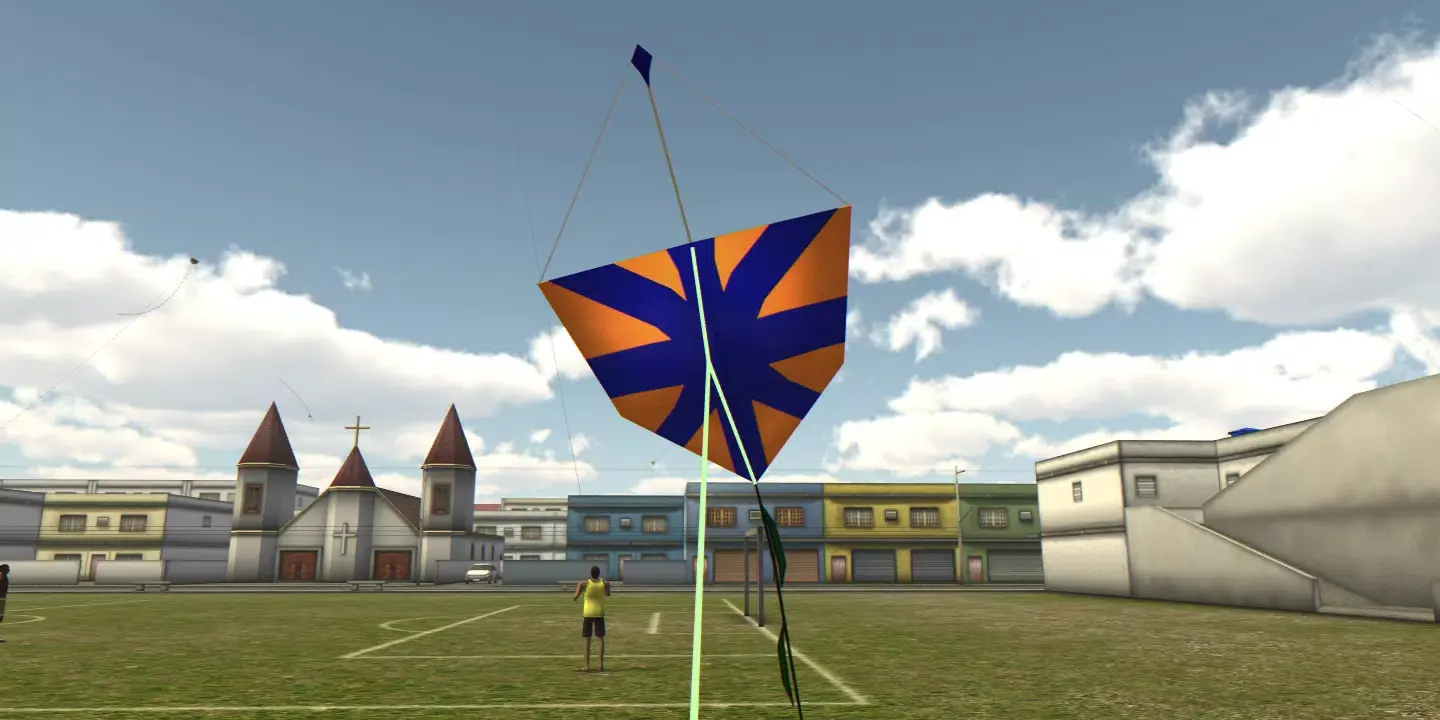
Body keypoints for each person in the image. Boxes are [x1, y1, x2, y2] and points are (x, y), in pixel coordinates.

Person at [572, 564, 611, 672]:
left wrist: (576, 597)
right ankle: (600, 665)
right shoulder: (604, 583)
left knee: (587, 639)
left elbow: (575, 596)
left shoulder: (583, 583)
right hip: (599, 612)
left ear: (590, 573)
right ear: (599, 574)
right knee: (600, 638)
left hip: (588, 613)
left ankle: (586, 665)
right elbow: (608, 593)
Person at [0, 563, 9, 643]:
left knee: (0, 617)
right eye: (7, 568)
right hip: (0, 598)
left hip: (2, 598)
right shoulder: (1, 575)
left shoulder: (4, 576)